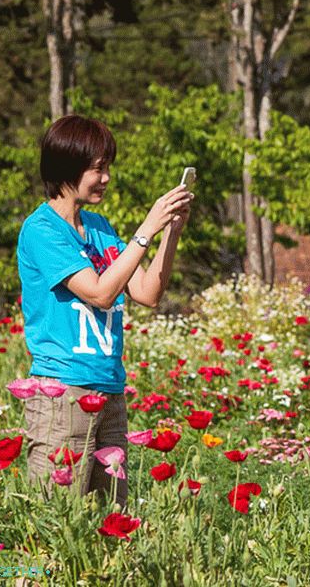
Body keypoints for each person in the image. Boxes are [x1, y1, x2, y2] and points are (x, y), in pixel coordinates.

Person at [18, 115, 193, 506]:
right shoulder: (41, 230)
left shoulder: (99, 227)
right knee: (56, 516)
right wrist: (146, 229)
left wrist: (171, 232)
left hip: (110, 390)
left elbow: (147, 293)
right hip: (63, 392)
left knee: (110, 515)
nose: (106, 178)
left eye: (107, 168)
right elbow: (98, 293)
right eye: (98, 169)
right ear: (68, 167)